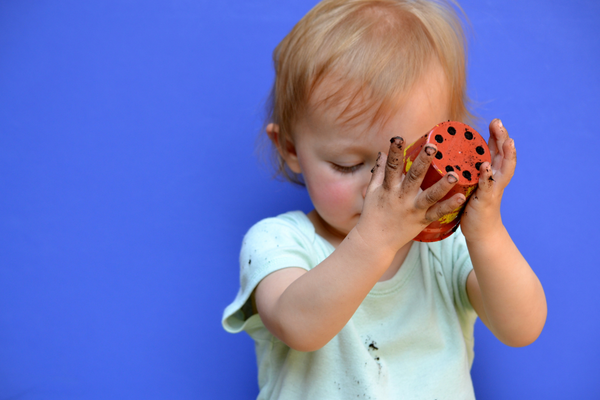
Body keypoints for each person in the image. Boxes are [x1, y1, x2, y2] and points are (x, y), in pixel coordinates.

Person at [222, 0, 547, 398]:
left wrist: (486, 232)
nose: (381, 187)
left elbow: (522, 327)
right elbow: (299, 327)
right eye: (346, 165)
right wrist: (376, 238)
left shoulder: (446, 251)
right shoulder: (278, 242)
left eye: (409, 164)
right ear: (290, 148)